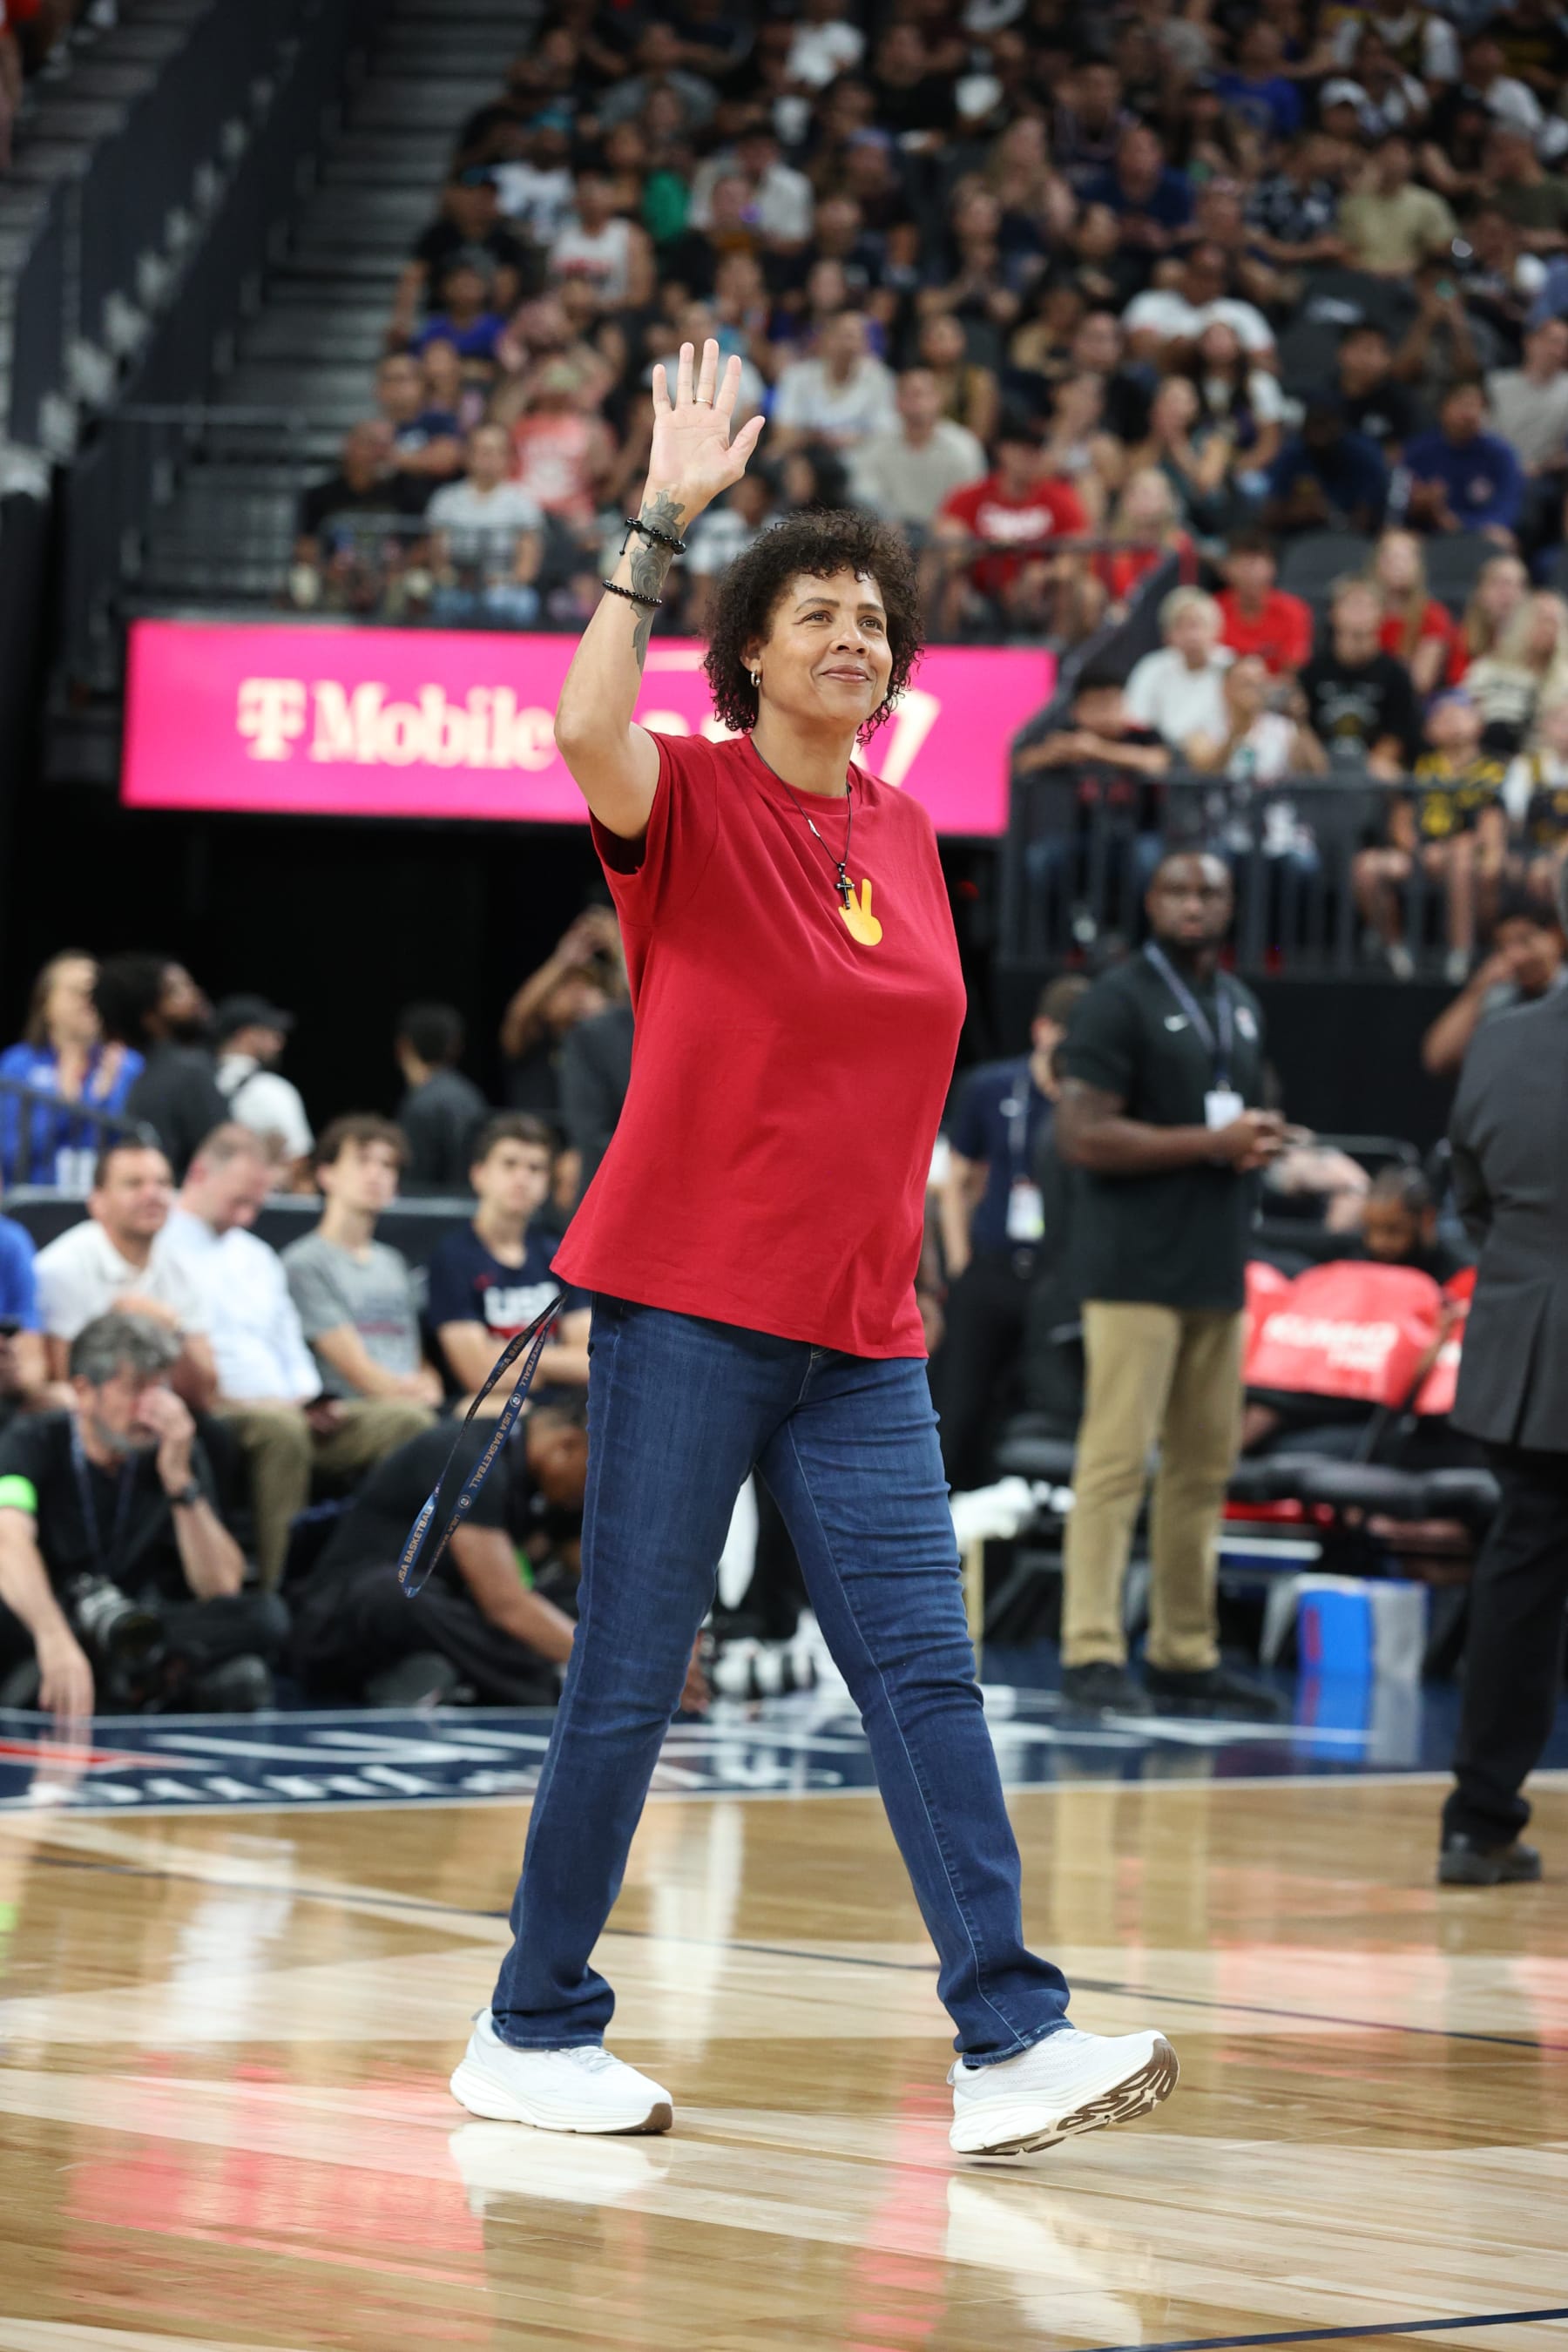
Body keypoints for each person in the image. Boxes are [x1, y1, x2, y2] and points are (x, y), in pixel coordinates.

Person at [449, 338, 1176, 2155]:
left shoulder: (914, 833)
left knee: (928, 1672)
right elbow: (580, 729)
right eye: (821, 613)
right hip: (691, 1308)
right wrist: (660, 520)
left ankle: (1010, 2037)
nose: (858, 635)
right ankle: (531, 2027)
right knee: (628, 1674)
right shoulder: (683, 798)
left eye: (877, 617)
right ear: (751, 648)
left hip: (865, 1330)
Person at [1055, 852, 1287, 1721]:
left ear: (1231, 907)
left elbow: (1232, 1114)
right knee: (1116, 1464)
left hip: (1215, 1267)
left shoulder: (1238, 1004)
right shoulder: (1117, 999)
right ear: (1151, 901)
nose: (1196, 906)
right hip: (1132, 1273)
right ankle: (1090, 1649)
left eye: (1213, 893)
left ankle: (1184, 1652)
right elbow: (1083, 1136)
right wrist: (1210, 1144)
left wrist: (1262, 1142)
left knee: (1202, 1469)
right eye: (1180, 891)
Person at [1439, 902, 1568, 1882]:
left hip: (1524, 1347)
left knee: (1521, 1576)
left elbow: (1470, 1197)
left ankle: (1477, 1822)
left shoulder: (1502, 1039)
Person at [161, 1125, 432, 1590]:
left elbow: (288, 1342)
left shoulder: (259, 1255)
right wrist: (266, 1405)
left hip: (291, 1407)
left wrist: (312, 1398)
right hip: (223, 1409)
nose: (249, 1215)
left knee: (411, 1422)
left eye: (257, 1203)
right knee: (282, 1432)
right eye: (239, 1201)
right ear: (201, 1173)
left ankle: (377, 1574)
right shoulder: (163, 1245)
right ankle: (279, 1588)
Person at [0, 1314, 287, 1719]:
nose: (154, 1407)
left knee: (265, 1616)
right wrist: (52, 1638)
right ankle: (116, 1679)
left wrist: (179, 1480)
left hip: (137, 1626)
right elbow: (8, 1540)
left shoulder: (174, 1449)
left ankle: (124, 1676)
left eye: (160, 1388)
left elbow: (220, 1584)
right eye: (137, 1389)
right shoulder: (31, 1441)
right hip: (50, 1618)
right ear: (84, 1392)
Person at [290, 1402, 599, 1708]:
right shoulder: (473, 1459)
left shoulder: (552, 1483)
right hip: (347, 1621)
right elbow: (505, 1606)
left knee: (583, 1598)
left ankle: (443, 1679)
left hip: (450, 1613)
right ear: (567, 1445)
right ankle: (549, 1684)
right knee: (396, 1593)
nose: (599, 1490)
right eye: (597, 1473)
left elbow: (593, 1582)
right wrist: (606, 1668)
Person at [931, 977, 1089, 1494]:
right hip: (992, 1268)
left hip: (1055, 1278)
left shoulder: (1088, 1100)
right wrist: (960, 1265)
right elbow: (959, 1182)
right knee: (958, 1410)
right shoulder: (992, 1086)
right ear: (1042, 1031)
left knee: (1035, 1410)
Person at [33, 1141, 215, 1409]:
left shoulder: (184, 1267)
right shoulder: (61, 1267)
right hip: (91, 1416)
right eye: (134, 1184)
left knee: (213, 1434)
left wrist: (173, 1326)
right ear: (97, 1202)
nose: (153, 1194)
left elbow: (205, 1395)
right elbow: (69, 1381)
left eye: (163, 1184)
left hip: (161, 1408)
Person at [282, 1118, 443, 1413]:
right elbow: (356, 1371)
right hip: (351, 1411)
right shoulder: (304, 1262)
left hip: (411, 1405)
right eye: (362, 1160)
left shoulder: (393, 1262)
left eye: (388, 1165)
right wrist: (415, 1398)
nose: (376, 1173)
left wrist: (431, 1382)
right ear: (326, 1174)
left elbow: (414, 1355)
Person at [427, 1115, 591, 1399]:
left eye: (535, 1168)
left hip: (567, 1409)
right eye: (509, 1164)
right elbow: (478, 1373)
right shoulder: (452, 1257)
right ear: (478, 1174)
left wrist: (508, 1352)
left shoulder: (560, 1255)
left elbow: (589, 1363)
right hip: (496, 1412)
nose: (522, 1178)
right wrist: (555, 1366)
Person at [0, 950, 142, 1191]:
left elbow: (138, 1146)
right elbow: (11, 1151)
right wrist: (67, 1105)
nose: (88, 1001)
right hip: (32, 1202)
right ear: (46, 1003)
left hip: (106, 1205)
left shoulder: (129, 1065)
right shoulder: (18, 1064)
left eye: (96, 994)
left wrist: (104, 1101)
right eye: (77, 992)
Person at [93, 956, 228, 1182]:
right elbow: (226, 1164)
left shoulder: (145, 1076)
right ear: (150, 1017)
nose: (195, 995)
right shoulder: (188, 1071)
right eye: (177, 991)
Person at [1421, 892, 1568, 1075]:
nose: (1514, 957)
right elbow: (1438, 1058)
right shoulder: (1502, 1000)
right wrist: (1478, 989)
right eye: (1503, 947)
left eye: (1525, 941)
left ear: (1558, 936)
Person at [1300, 576, 1422, 775]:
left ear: (1381, 616)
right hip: (1320, 765)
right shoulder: (1312, 672)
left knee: (1388, 773)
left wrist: (1364, 768)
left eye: (1367, 606)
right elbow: (1303, 728)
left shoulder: (1395, 673)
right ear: (1333, 614)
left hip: (1374, 766)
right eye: (1351, 605)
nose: (1359, 612)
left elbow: (1399, 733)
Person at [849, 368, 987, 531]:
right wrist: (890, 520)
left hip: (943, 532)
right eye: (909, 395)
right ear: (897, 402)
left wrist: (941, 523)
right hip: (892, 529)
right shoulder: (876, 443)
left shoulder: (964, 445)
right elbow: (864, 491)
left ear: (939, 399)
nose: (917, 403)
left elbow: (972, 497)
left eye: (923, 395)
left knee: (951, 533)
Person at [1398, 377, 1524, 543]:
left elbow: (1506, 510)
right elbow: (1397, 503)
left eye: (1477, 406)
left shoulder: (1501, 453)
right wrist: (1420, 503)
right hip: (1427, 533)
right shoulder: (1418, 451)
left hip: (1478, 533)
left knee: (1502, 539)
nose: (1469, 414)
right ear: (1443, 408)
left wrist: (1462, 523)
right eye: (1463, 404)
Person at [213, 994, 313, 1181]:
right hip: (258, 1201)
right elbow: (298, 1161)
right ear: (247, 1035)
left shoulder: (195, 1083)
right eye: (271, 1034)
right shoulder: (273, 1090)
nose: (279, 1043)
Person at [395, 1004, 490, 1193]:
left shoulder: (421, 1105)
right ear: (455, 1046)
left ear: (404, 1046)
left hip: (437, 1214)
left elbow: (415, 1184)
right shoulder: (472, 1095)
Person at [1123, 588, 1233, 749]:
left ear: (1216, 629)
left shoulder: (1232, 666)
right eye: (1182, 626)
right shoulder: (1151, 668)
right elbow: (1136, 719)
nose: (1192, 635)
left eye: (1198, 625)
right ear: (1168, 634)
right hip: (1163, 757)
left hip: (1222, 758)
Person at [1214, 531, 1314, 676]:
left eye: (1256, 564)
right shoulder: (1212, 610)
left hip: (1275, 691)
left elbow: (1292, 669)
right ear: (1226, 569)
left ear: (1273, 568)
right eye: (1242, 564)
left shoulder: (1294, 610)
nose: (1250, 573)